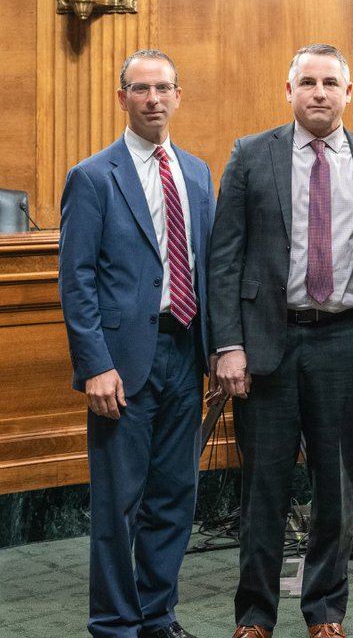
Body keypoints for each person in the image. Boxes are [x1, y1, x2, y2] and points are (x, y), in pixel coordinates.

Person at [209, 43, 353, 638]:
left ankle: (325, 612)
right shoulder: (250, 155)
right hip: (268, 344)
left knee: (336, 485)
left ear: (350, 92)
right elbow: (224, 259)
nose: (318, 93)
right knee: (263, 488)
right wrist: (227, 345)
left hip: (345, 343)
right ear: (288, 91)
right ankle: (254, 617)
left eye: (330, 83)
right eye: (307, 82)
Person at [59, 49, 216, 638]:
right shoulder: (94, 175)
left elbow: (209, 270)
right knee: (118, 505)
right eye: (140, 89)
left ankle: (158, 616)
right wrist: (94, 364)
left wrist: (221, 349)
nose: (153, 99)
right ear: (121, 97)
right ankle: (114, 624)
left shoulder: (197, 173)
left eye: (163, 88)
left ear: (179, 96)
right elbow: (76, 281)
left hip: (185, 353)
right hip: (121, 364)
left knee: (175, 496)